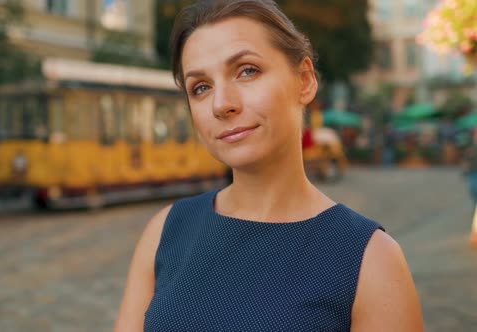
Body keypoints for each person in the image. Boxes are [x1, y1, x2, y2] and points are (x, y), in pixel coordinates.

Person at [114, 1, 423, 331]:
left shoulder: (369, 259)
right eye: (201, 88)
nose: (222, 104)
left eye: (247, 70)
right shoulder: (165, 232)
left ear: (304, 80)